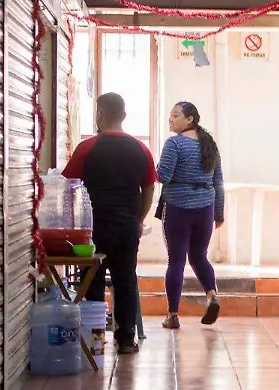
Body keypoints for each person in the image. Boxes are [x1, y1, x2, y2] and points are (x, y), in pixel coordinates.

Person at [61, 92, 155, 354]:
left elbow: (68, 185)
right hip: (127, 227)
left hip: (94, 229)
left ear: (99, 114)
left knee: (92, 280)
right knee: (125, 281)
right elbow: (149, 188)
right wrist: (138, 219)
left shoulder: (87, 147)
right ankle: (125, 340)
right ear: (124, 115)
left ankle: (94, 342)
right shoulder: (141, 149)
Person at [156, 101, 225, 329]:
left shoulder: (174, 143)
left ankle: (173, 315)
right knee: (199, 257)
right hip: (205, 207)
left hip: (178, 207)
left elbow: (163, 176)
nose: (171, 119)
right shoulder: (210, 145)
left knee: (176, 260)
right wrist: (219, 213)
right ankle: (212, 295)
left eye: (176, 115)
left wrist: (154, 168)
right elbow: (218, 182)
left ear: (189, 120)